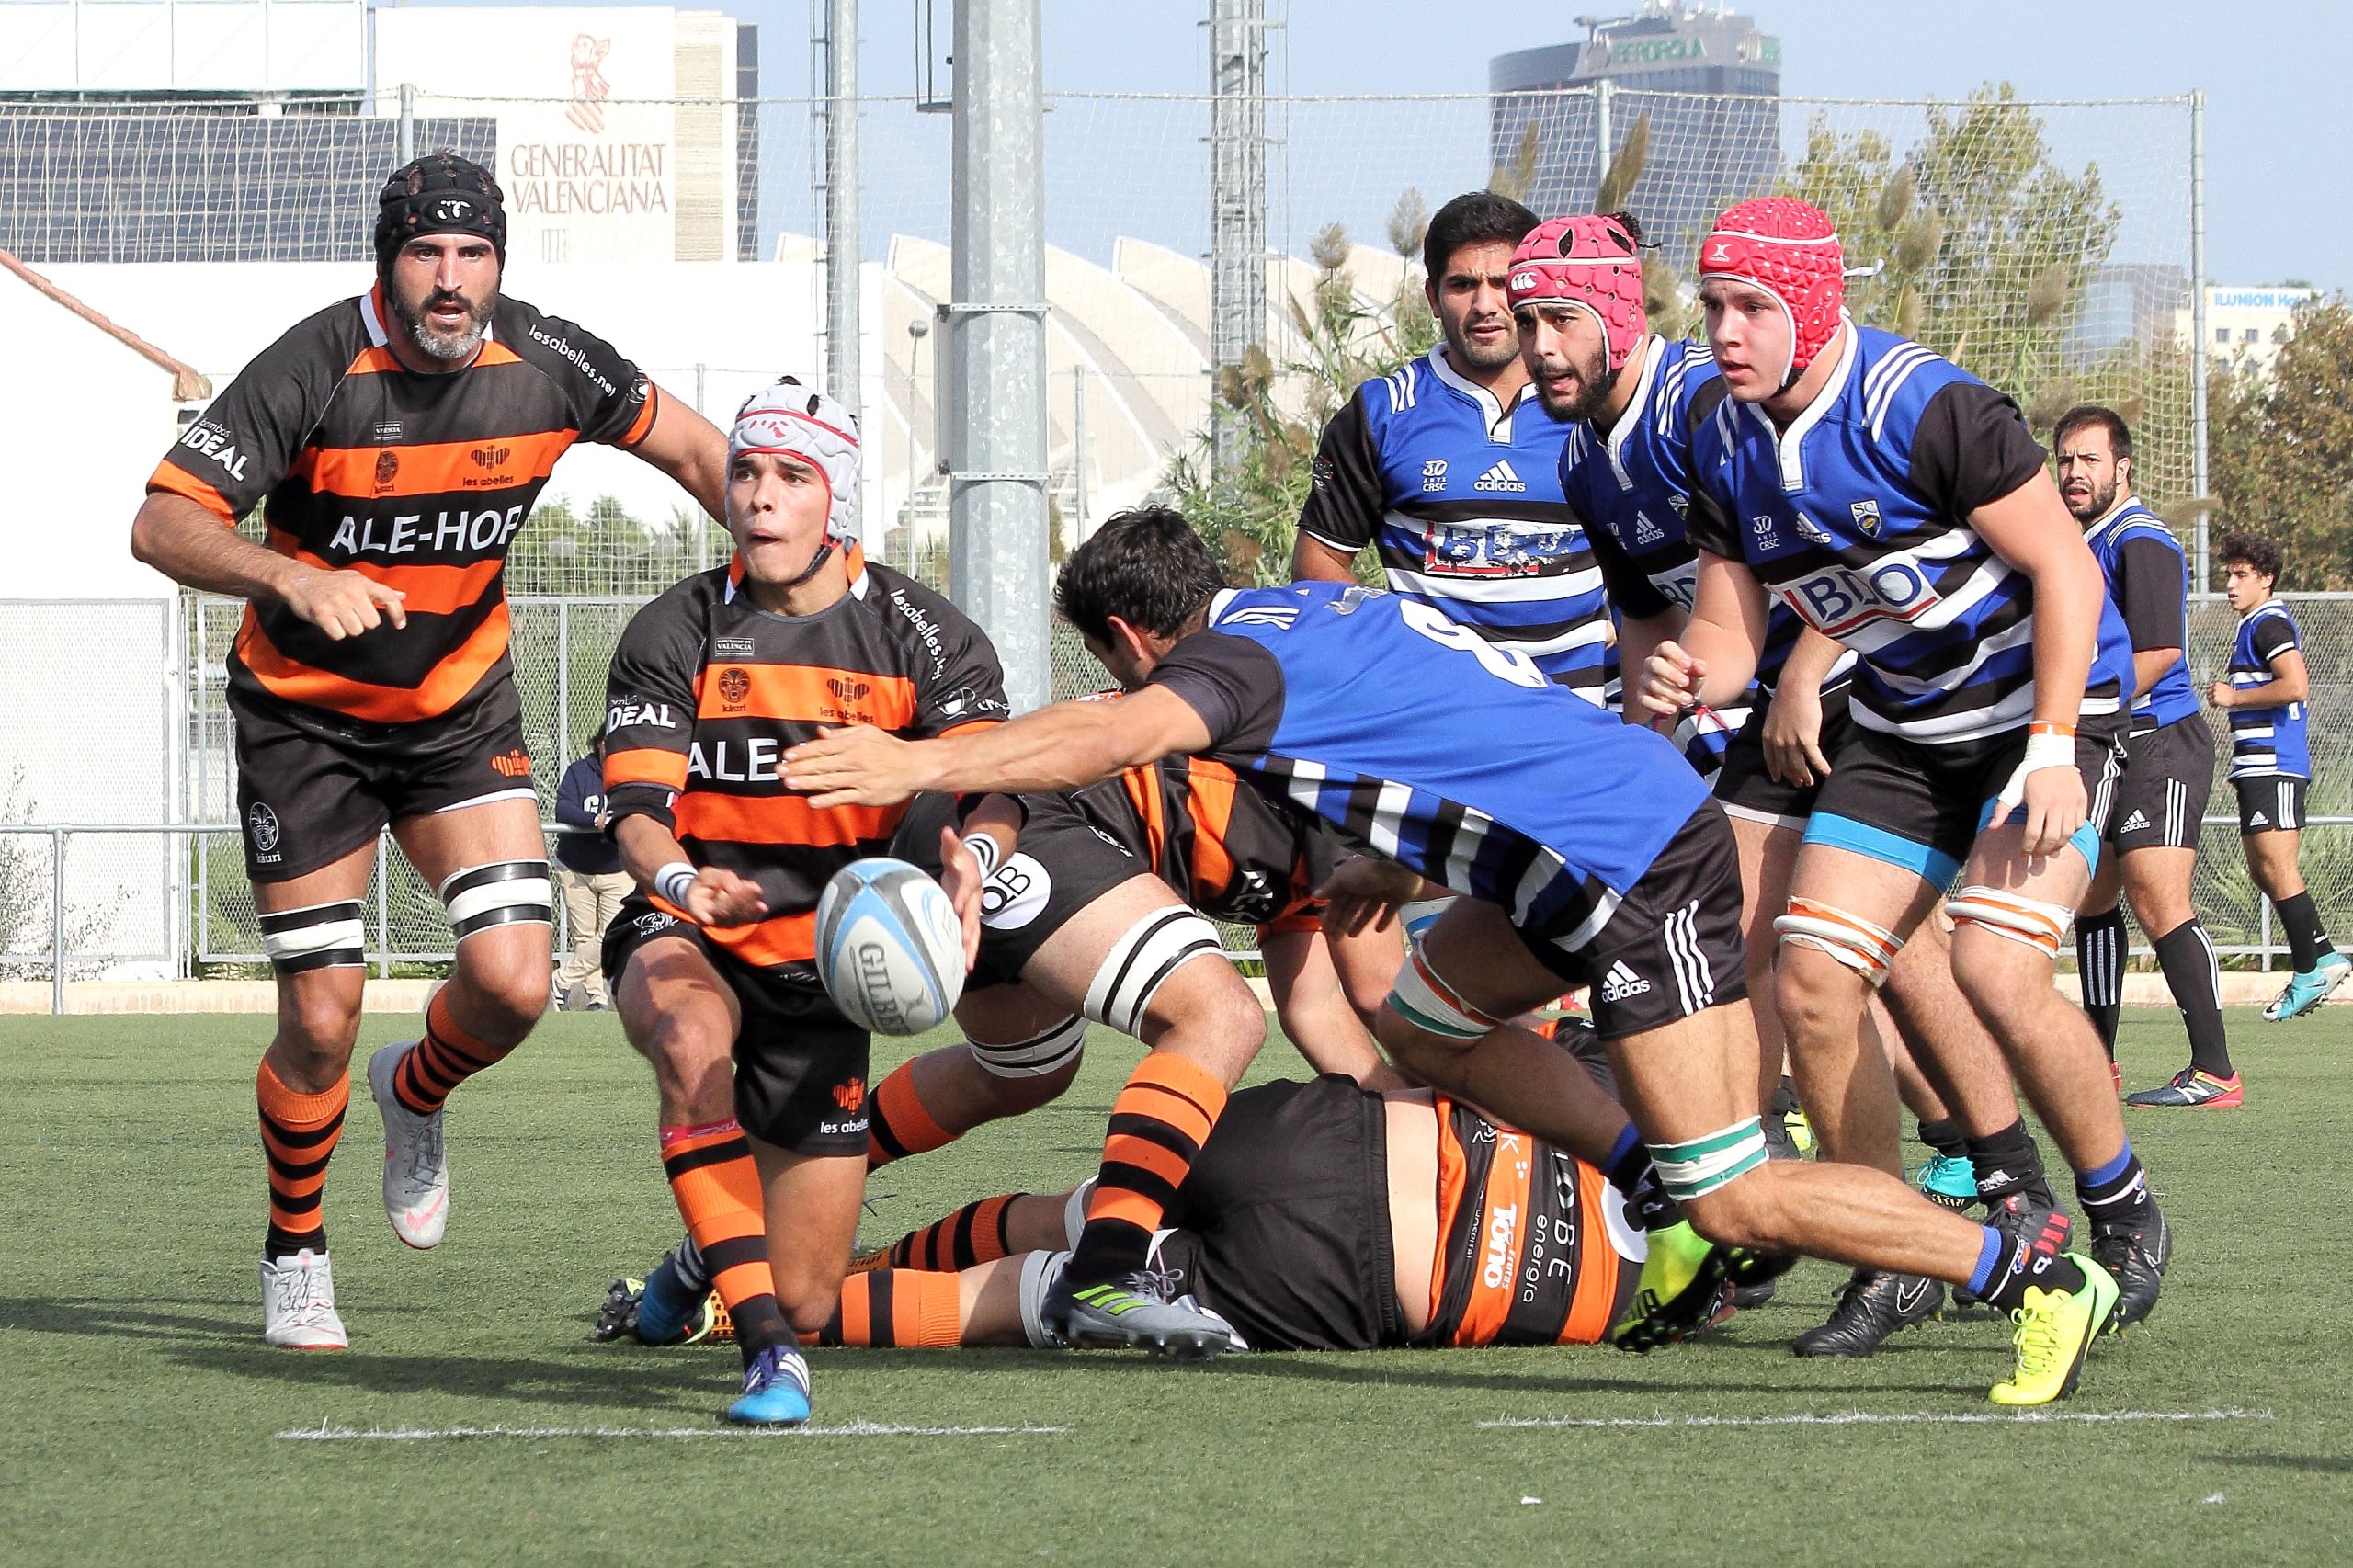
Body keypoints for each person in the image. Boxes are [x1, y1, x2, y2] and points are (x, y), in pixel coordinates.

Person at [784, 505, 2127, 1405]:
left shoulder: (1228, 670)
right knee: (1426, 1022)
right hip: (1578, 848)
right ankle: (1644, 1186)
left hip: (1628, 866)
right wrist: (1397, 857)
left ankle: (2027, 1263)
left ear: (1136, 640)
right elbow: (1462, 725)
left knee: (1740, 1196)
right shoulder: (1313, 609)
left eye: (1126, 668)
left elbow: (1108, 737)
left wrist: (921, 760)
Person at [129, 151, 727, 1350]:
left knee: (513, 983)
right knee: (319, 1014)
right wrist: (290, 571)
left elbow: (704, 456)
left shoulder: (551, 360)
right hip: (305, 725)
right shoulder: (314, 363)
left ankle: (417, 1088)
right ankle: (295, 1247)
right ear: (386, 262)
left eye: (473, 255)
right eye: (425, 255)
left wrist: (801, 581)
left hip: (456, 719)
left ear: (499, 263)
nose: (450, 281)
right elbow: (163, 518)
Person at [1644, 197, 2170, 1371]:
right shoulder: (1723, 442)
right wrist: (1690, 673)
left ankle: (2122, 1204)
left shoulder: (1923, 405)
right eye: (1714, 306)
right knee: (1815, 979)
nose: (1723, 332)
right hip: (1906, 727)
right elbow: (1731, 640)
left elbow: (2069, 575)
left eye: (1752, 308)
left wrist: (2048, 745)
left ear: (1814, 305)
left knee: (1990, 958)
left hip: (2041, 709)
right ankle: (1898, 1252)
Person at [1518, 210, 2054, 1354]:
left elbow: (1830, 563)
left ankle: (1988, 1194)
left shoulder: (1703, 408)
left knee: (1817, 956)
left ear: (1616, 319)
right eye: (1525, 323)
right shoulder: (1581, 458)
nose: (1536, 344)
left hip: (1849, 700)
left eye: (1557, 317)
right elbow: (1660, 627)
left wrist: (1810, 667)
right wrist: (1640, 756)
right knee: (1815, 966)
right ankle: (1877, 1213)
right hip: (1751, 715)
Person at [616, 757, 1406, 1346]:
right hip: (1027, 828)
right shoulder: (1376, 810)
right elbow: (1386, 997)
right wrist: (1458, 1109)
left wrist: (1399, 1119)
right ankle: (1107, 1271)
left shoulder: (1326, 856)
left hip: (1001, 831)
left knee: (1027, 1072)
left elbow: (1319, 1006)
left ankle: (732, 1227)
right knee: (1221, 1017)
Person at [597, 379, 1008, 1425]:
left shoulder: (923, 633)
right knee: (691, 1044)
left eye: (792, 477)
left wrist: (974, 861)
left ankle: (708, 1256)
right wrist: (685, 882)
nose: (760, 498)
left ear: (839, 503)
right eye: (744, 473)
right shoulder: (676, 625)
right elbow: (635, 811)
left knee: (813, 1292)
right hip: (691, 923)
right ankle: (770, 1358)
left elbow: (996, 782)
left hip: (830, 974)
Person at [608, 1068, 1649, 1356]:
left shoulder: (1628, 1097)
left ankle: (745, 1262)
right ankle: (774, 1302)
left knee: (1061, 1220)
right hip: (1343, 1281)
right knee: (1018, 1297)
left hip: (1328, 1137)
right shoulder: (1637, 1314)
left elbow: (1436, 1051)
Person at [1292, 191, 1617, 706]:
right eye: (1463, 285)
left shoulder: (1594, 405)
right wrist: (1389, 642)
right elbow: (1319, 558)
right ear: (1433, 297)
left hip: (1584, 710)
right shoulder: (1382, 412)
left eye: (1504, 283)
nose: (1485, 304)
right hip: (1441, 712)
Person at [2054, 408, 2235, 1105]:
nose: (2074, 473)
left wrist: (2068, 705)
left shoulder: (2141, 540)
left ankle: (2216, 1069)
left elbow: (2158, 655)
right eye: (2066, 460)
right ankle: (2098, 1064)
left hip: (2162, 740)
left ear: (2122, 468)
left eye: (2089, 460)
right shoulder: (2082, 541)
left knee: (2160, 901)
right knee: (2093, 900)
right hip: (2111, 739)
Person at [2211, 532, 2350, 1021]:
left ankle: (2309, 972)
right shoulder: (2252, 622)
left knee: (2278, 867)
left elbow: (2295, 684)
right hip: (2255, 768)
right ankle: (2326, 956)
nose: (2230, 583)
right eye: (2228, 574)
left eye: (2242, 575)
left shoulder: (2269, 622)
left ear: (2266, 580)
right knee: (2263, 869)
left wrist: (2234, 698)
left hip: (2276, 766)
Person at [551, 728, 631, 1011]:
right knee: (584, 937)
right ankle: (595, 999)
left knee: (610, 934)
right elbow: (563, 809)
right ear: (600, 743)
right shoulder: (579, 772)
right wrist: (592, 819)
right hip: (576, 868)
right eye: (611, 742)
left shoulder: (629, 773)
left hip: (616, 869)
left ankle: (560, 980)